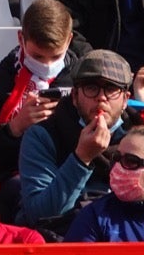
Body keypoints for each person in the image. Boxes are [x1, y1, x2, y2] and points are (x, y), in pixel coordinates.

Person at [16, 48, 136, 230]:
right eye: (91, 88)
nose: (101, 98)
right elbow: (39, 214)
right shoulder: (43, 135)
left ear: (126, 99)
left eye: (111, 89)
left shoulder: (141, 138)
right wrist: (81, 158)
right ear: (74, 96)